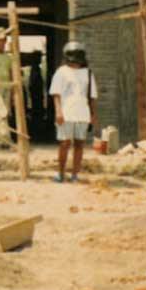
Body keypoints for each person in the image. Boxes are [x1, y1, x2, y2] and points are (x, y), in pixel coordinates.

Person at [49, 40, 97, 183]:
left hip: (82, 113)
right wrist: (58, 111)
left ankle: (75, 174)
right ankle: (61, 173)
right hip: (66, 113)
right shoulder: (61, 72)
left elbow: (92, 96)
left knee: (79, 144)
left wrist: (94, 115)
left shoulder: (88, 73)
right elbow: (56, 94)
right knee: (64, 144)